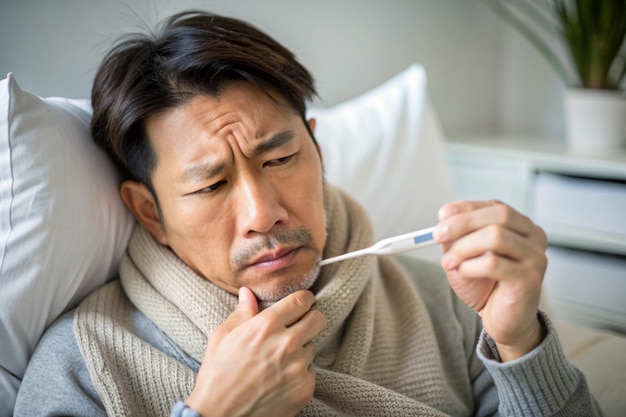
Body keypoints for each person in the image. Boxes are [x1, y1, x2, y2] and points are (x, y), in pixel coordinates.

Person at [14, 10, 603, 417]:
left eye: (281, 158)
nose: (263, 213)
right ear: (150, 213)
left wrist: (520, 340)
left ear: (316, 150)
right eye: (212, 184)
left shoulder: (449, 302)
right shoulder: (84, 365)